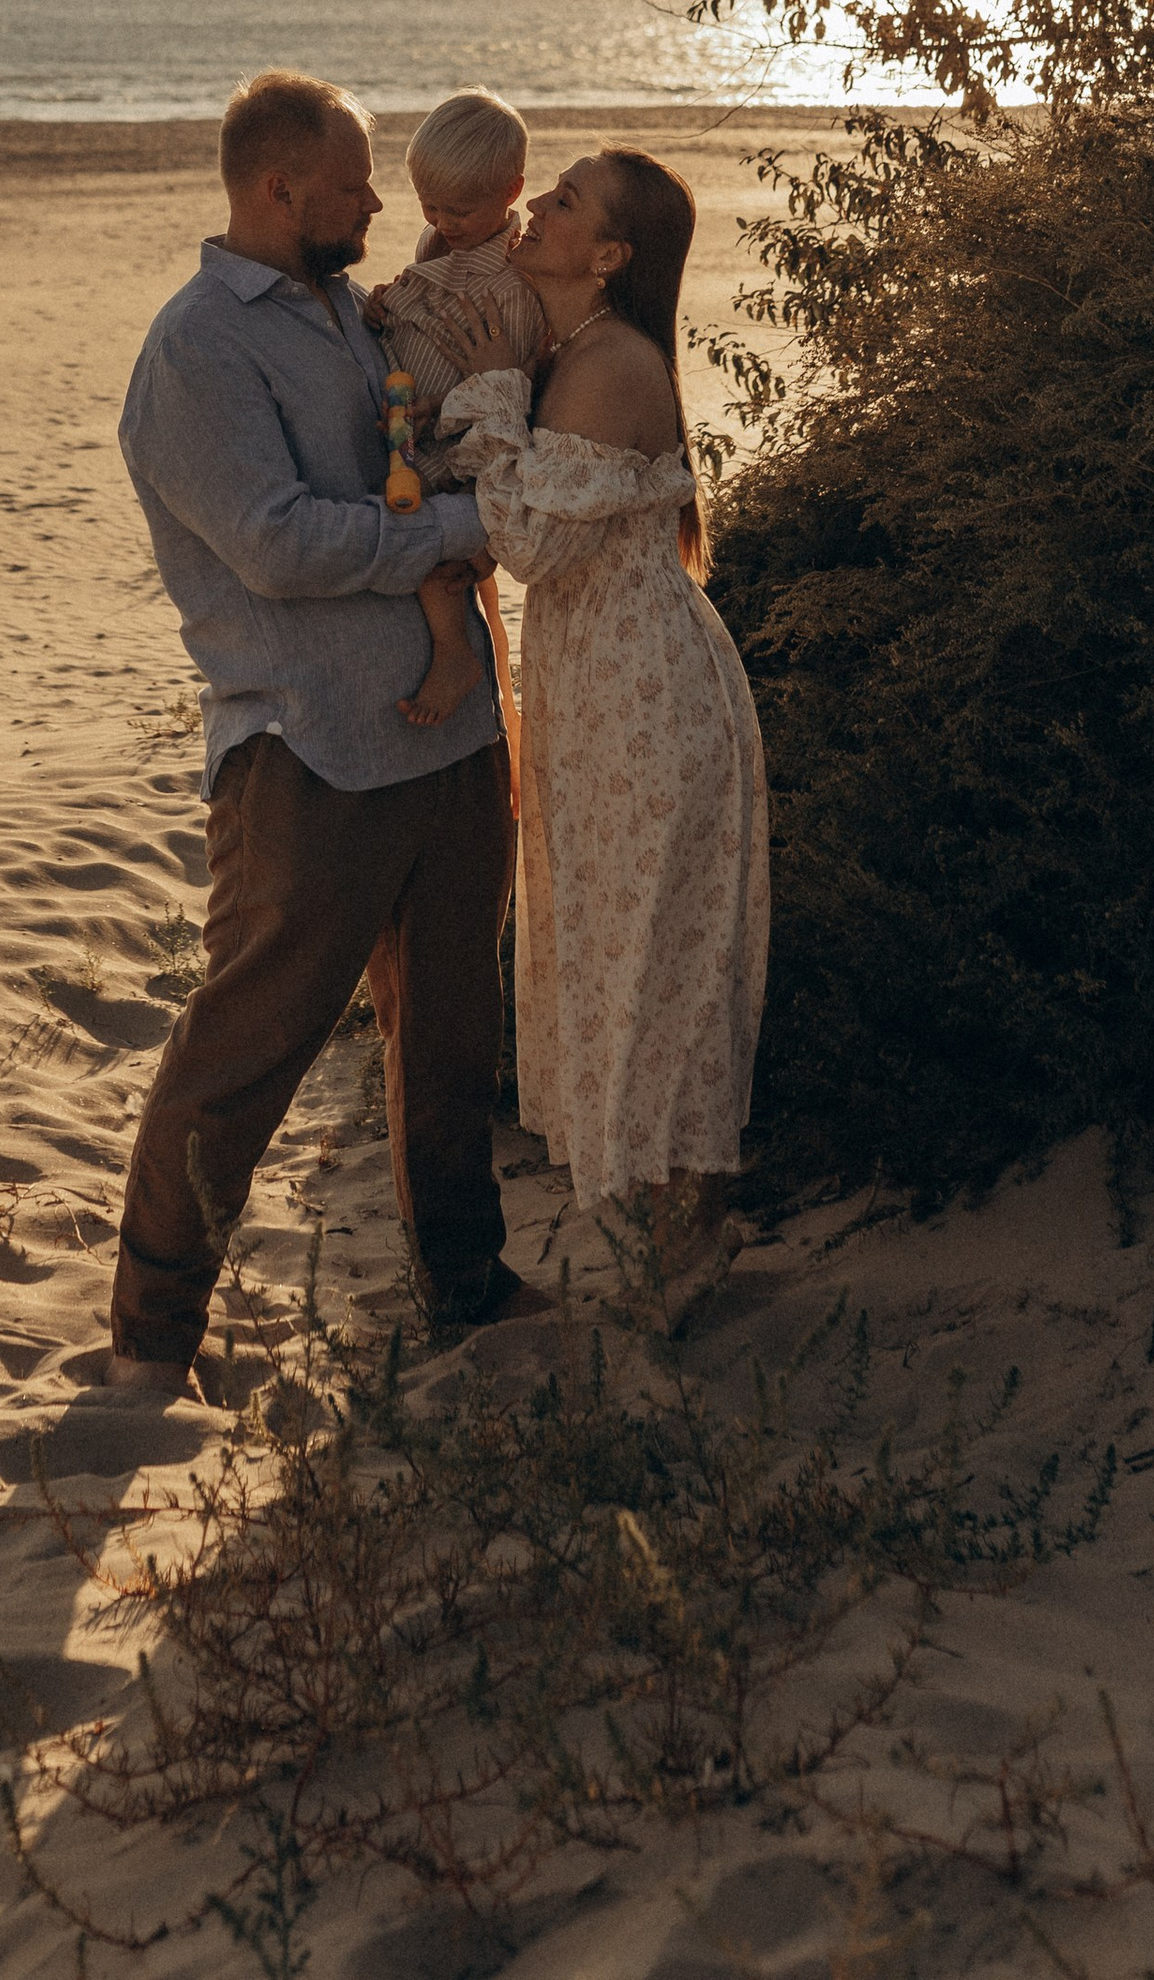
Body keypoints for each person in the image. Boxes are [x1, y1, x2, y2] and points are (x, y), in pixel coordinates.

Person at [108, 70, 545, 1392]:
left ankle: (468, 1282)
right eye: (355, 178)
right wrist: (473, 534)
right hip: (312, 753)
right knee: (246, 1047)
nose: (377, 196)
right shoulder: (199, 350)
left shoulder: (353, 315)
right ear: (274, 188)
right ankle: (150, 1342)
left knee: (454, 1038)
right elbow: (279, 544)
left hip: (453, 735)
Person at [442, 149, 769, 1284]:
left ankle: (675, 1255)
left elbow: (531, 547)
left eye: (565, 202)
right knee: (614, 951)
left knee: (650, 964)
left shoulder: (611, 364)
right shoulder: (573, 349)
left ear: (611, 255)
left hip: (640, 692)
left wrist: (487, 401)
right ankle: (662, 1251)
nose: (535, 206)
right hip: (602, 687)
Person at [363, 89, 547, 733]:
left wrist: (466, 399)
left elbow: (535, 364)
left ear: (512, 190)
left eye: (459, 208)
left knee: (439, 557)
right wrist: (383, 304)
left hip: (473, 433)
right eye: (428, 204)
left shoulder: (523, 278)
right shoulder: (437, 247)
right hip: (416, 414)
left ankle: (453, 655)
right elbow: (420, 299)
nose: (442, 220)